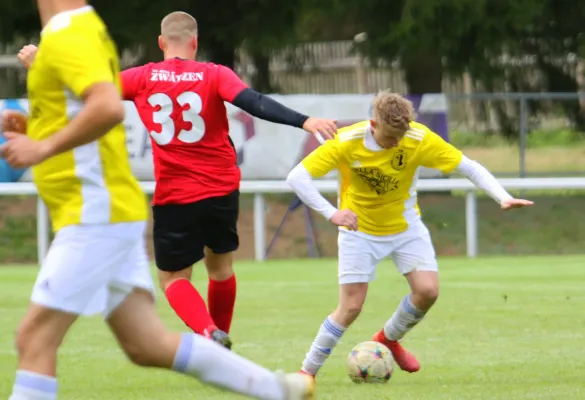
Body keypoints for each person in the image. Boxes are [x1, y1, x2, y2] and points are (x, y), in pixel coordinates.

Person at [1, 2, 315, 399]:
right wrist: (305, 120)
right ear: (195, 42)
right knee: (159, 331)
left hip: (131, 205)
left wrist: (40, 140)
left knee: (42, 335)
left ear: (162, 42)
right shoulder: (211, 72)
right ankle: (269, 382)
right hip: (211, 190)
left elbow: (100, 102)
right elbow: (251, 101)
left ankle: (208, 332)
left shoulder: (119, 62)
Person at [285, 90, 534, 378]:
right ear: (373, 124)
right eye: (391, 137)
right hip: (359, 231)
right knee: (351, 306)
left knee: (428, 291)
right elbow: (297, 177)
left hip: (405, 227)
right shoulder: (346, 141)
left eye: (400, 136)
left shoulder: (416, 137)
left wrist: (501, 196)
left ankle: (387, 340)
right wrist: (332, 213)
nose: (396, 143)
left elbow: (468, 166)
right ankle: (307, 374)